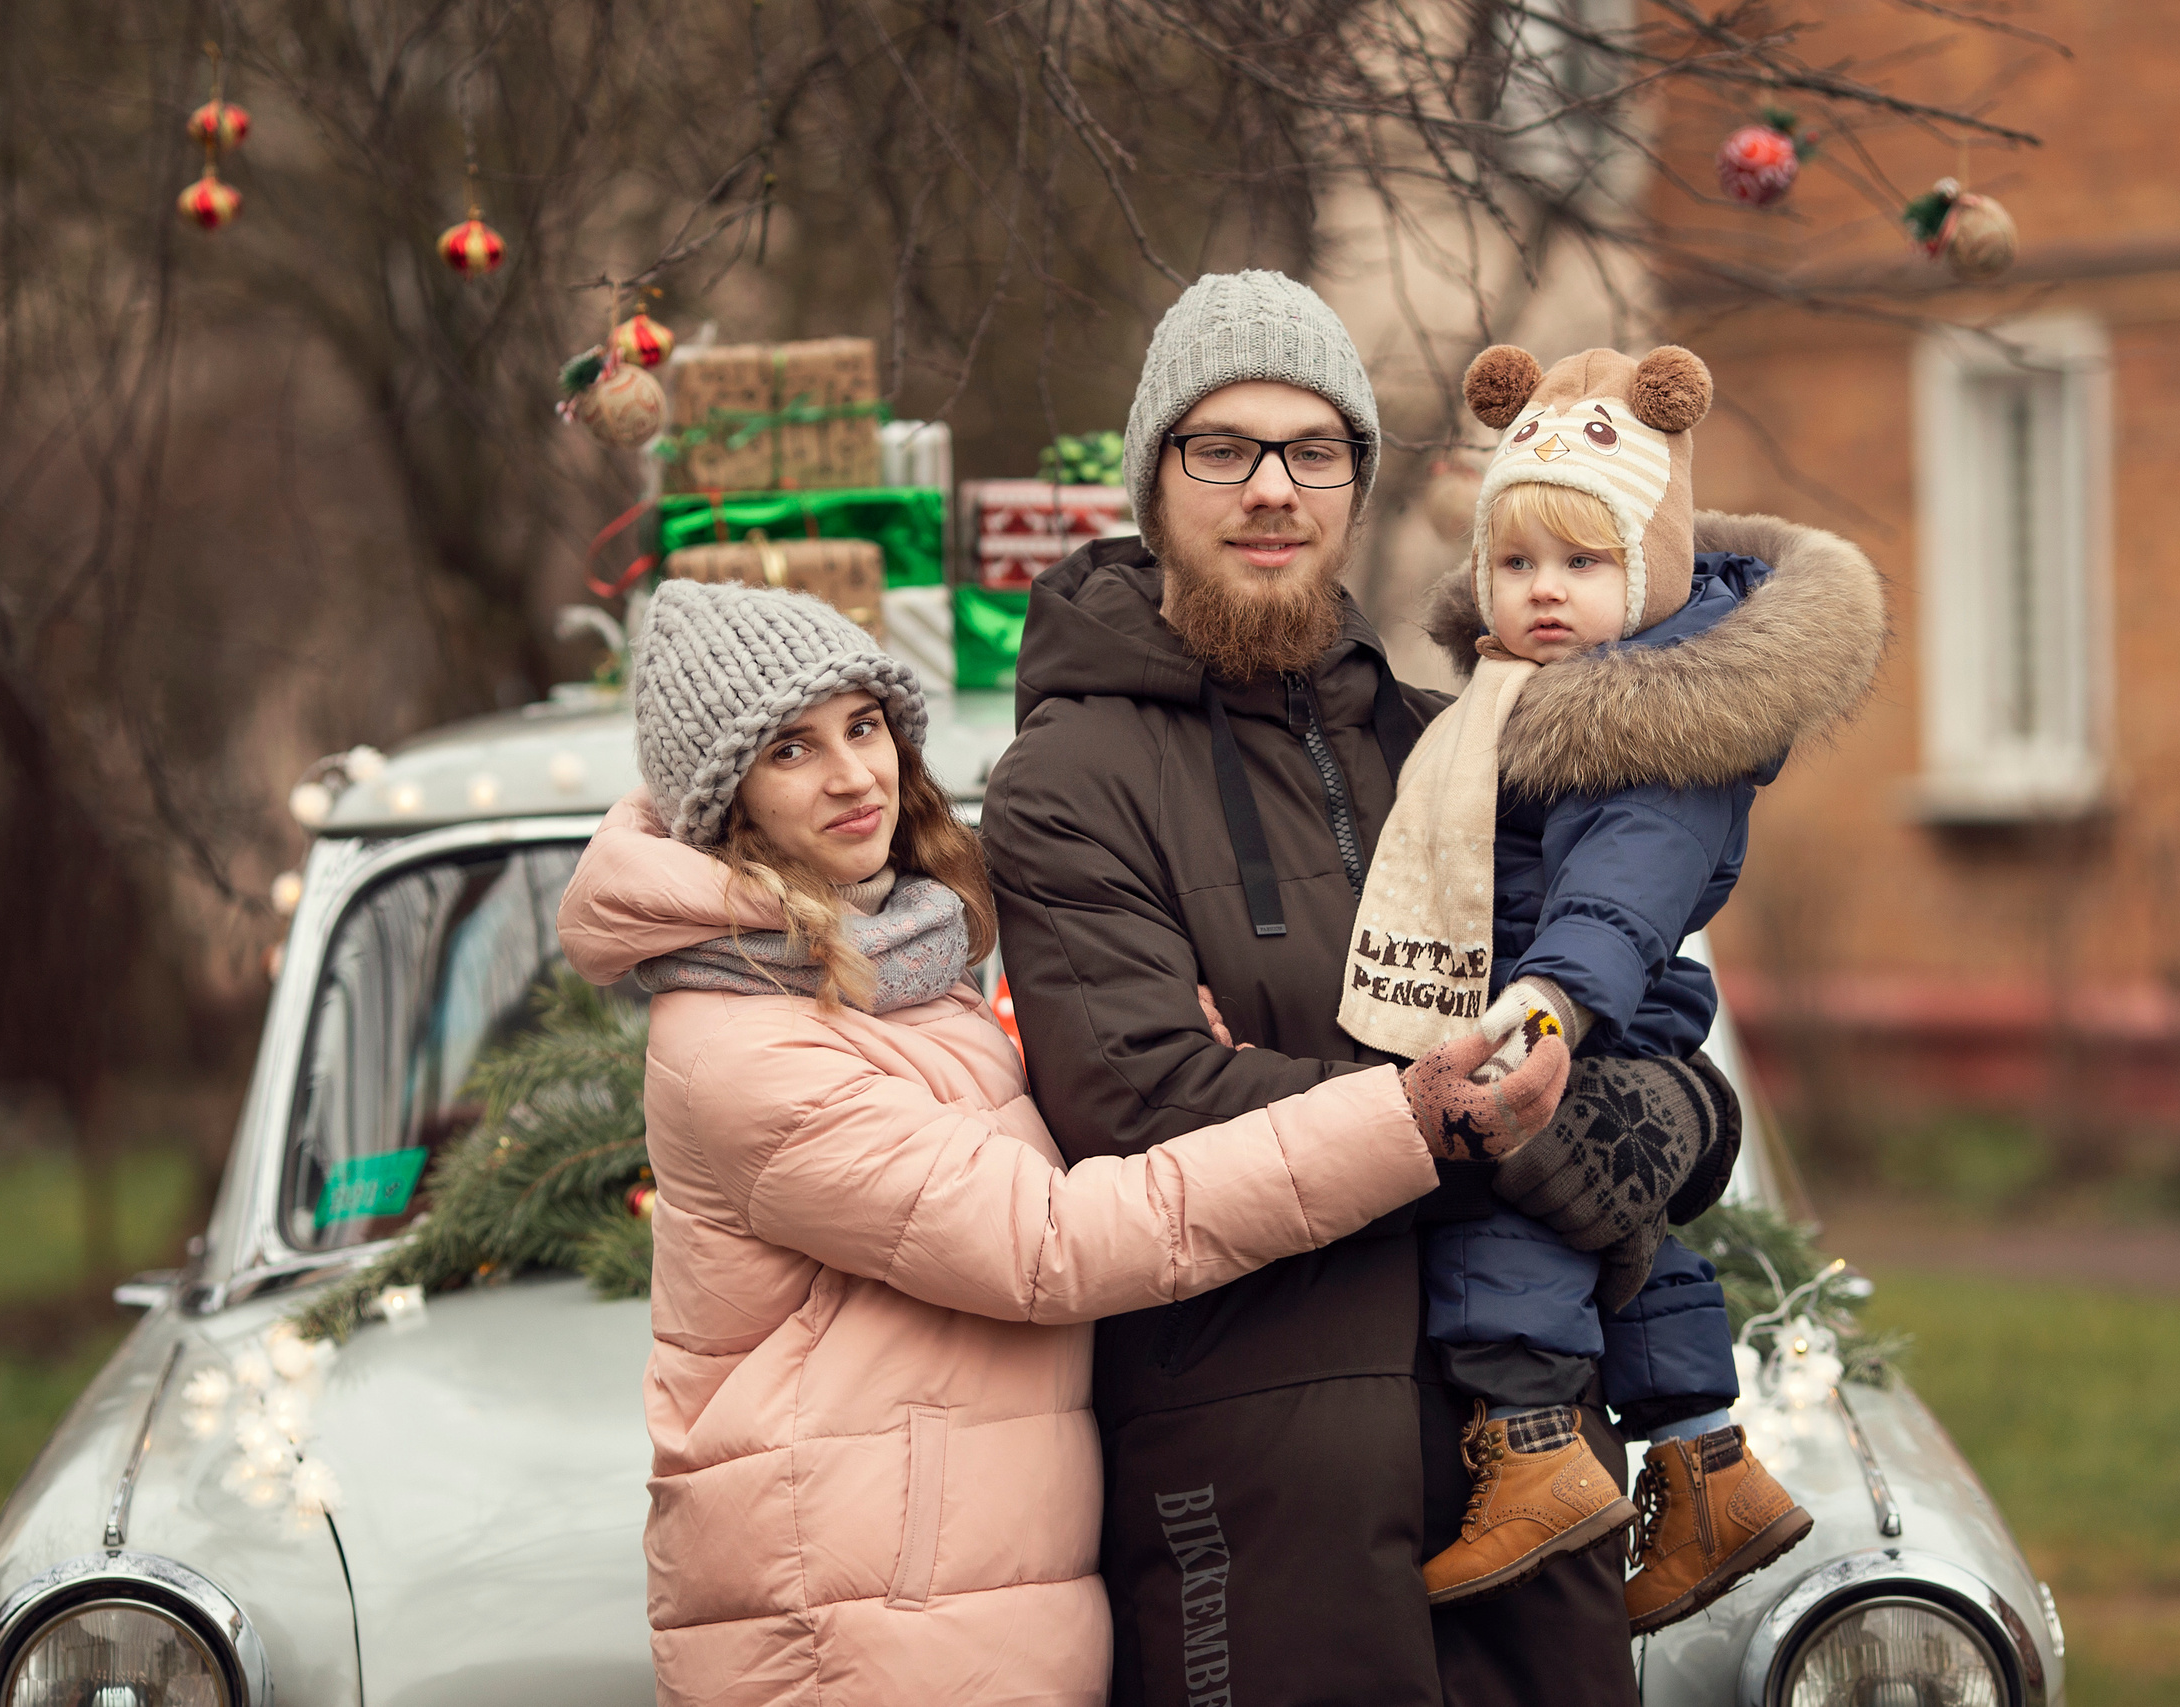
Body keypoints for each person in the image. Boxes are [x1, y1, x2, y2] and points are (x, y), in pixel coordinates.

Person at [554, 579, 1572, 1707]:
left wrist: (1177, 1053)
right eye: (789, 750)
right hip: (856, 1612)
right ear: (725, 800)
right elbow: (1045, 1243)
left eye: (864, 725)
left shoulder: (898, 967)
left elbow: (1015, 1140)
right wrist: (1398, 1118)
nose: (853, 774)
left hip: (946, 1581)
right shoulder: (746, 1044)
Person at [979, 273, 1763, 1707]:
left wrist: (1669, 1114)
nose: (1272, 488)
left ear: (1356, 485)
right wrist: (1463, 1110)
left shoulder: (1452, 735)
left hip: (1530, 1460)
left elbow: (1647, 1007)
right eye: (1222, 447)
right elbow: (1144, 1103)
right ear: (1155, 476)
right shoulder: (1067, 781)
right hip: (1261, 1488)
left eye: (1315, 449)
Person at [1341, 341, 1881, 1630]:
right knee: (1617, 1233)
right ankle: (1707, 1467)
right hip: (1576, 1008)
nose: (1540, 593)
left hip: (1577, 1009)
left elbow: (1615, 896)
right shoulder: (1533, 697)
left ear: (1648, 573)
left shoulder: (1655, 725)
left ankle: (1530, 1451)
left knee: (1498, 1209)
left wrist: (1543, 1011)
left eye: (1581, 566)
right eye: (1514, 564)